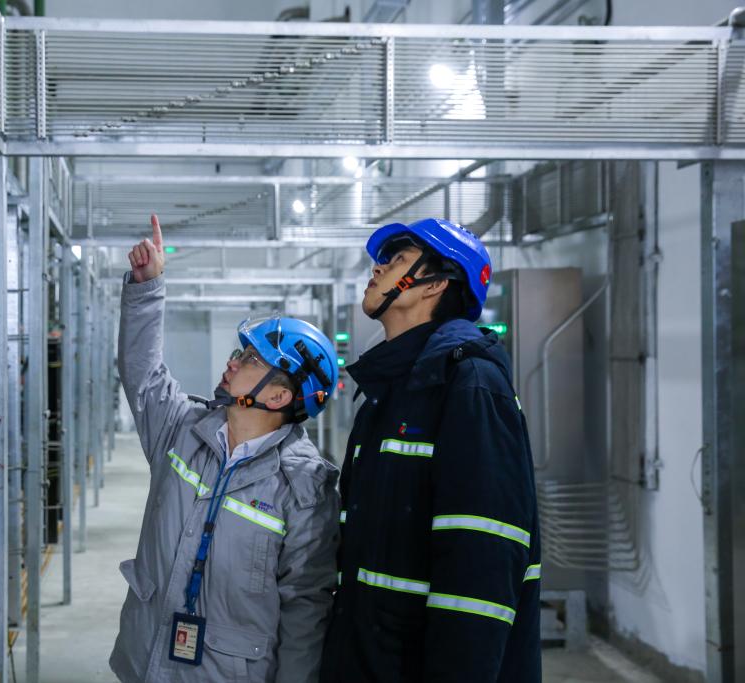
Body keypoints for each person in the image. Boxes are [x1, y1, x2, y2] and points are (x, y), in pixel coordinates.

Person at [110, 214, 341, 683]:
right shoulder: (182, 431)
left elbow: (305, 607)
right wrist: (148, 288)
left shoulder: (304, 487)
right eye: (240, 353)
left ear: (278, 396)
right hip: (146, 659)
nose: (233, 363)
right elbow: (143, 375)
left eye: (250, 359)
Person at [319, 218, 541, 682]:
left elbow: (481, 562)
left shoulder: (471, 384)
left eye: (397, 259)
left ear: (436, 283)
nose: (377, 269)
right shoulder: (392, 388)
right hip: (369, 658)